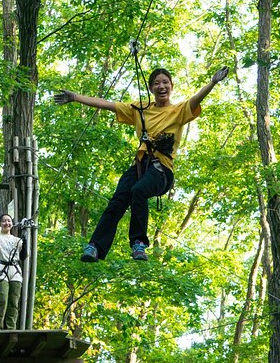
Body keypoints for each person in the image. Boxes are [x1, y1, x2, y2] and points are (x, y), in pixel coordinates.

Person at [55, 65, 229, 262]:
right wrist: (74, 97)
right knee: (118, 199)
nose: (161, 86)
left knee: (138, 190)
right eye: (157, 83)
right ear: (151, 88)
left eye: (165, 83)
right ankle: (95, 246)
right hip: (140, 165)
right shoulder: (140, 109)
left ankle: (138, 243)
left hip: (161, 170)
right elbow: (107, 104)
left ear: (171, 86)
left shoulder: (178, 111)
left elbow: (196, 99)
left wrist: (213, 82)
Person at [0, 204, 27, 331]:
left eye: (8, 221)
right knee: (2, 299)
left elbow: (23, 256)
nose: (6, 223)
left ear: (12, 224)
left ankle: (10, 328)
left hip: (15, 270)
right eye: (3, 221)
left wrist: (25, 238)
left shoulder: (17, 240)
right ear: (0, 224)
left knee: (14, 302)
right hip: (1, 269)